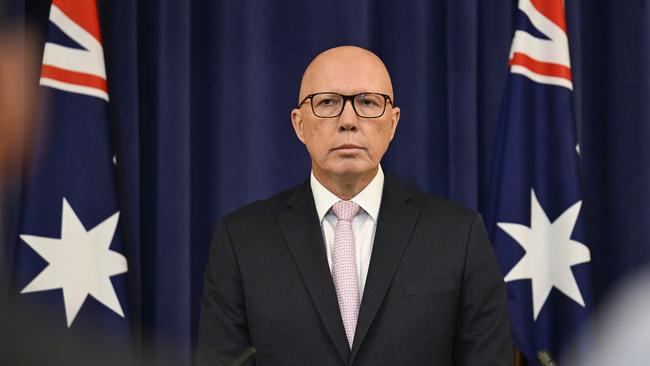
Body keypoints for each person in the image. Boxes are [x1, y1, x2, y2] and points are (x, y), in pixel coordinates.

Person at [197, 46, 512, 365]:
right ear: (299, 124)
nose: (348, 120)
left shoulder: (459, 235)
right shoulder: (241, 240)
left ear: (392, 123)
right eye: (328, 102)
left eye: (367, 102)